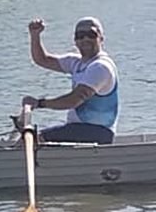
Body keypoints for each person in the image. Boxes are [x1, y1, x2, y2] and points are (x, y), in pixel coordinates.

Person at [21, 16, 119, 144]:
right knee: (32, 139)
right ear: (75, 41)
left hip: (98, 133)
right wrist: (35, 35)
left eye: (91, 34)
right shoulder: (76, 63)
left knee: (35, 139)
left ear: (101, 38)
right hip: (77, 130)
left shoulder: (101, 67)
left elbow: (74, 100)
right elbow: (42, 60)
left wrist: (39, 103)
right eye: (80, 35)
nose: (85, 39)